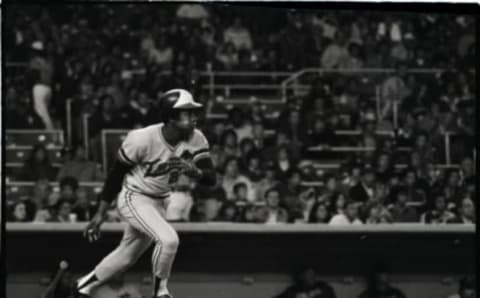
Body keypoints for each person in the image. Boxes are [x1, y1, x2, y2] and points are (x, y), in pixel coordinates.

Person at [75, 89, 216, 298]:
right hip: (134, 197)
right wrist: (100, 212)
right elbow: (115, 176)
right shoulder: (142, 138)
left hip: (160, 202)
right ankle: (160, 292)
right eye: (187, 113)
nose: (194, 117)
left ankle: (82, 286)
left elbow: (211, 178)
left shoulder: (197, 139)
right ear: (171, 117)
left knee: (126, 257)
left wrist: (194, 171)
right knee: (169, 240)